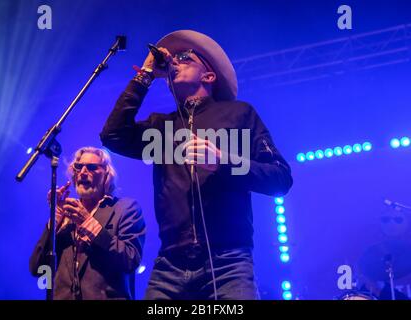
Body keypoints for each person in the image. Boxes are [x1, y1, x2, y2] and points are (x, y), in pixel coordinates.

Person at [100, 30, 293, 300]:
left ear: (209, 76)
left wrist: (222, 162)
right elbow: (113, 135)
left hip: (228, 262)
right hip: (170, 264)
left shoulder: (240, 114)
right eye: (173, 58)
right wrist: (144, 75)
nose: (175, 62)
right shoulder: (162, 127)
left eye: (184, 57)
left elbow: (280, 179)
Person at [29, 146, 145, 300]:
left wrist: (89, 223)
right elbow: (37, 268)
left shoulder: (125, 208)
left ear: (106, 175)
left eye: (91, 167)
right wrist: (55, 219)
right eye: (78, 167)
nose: (83, 172)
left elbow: (131, 260)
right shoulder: (66, 214)